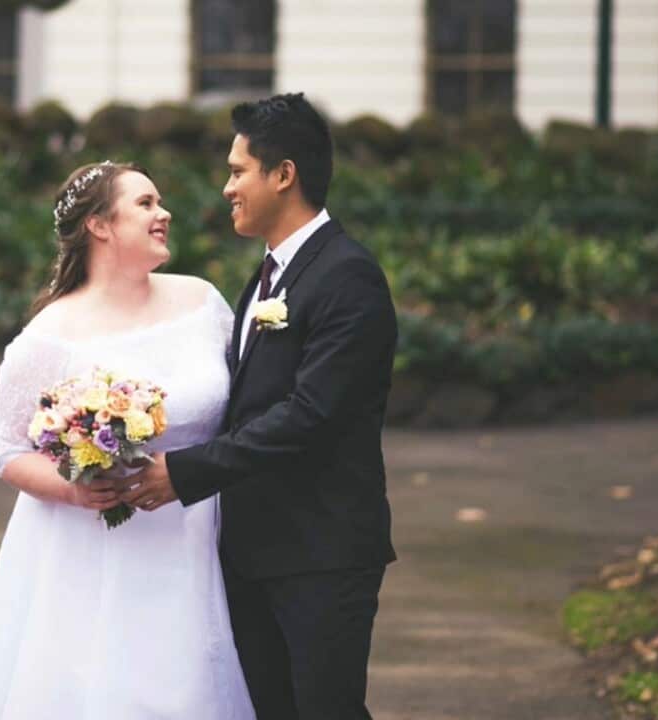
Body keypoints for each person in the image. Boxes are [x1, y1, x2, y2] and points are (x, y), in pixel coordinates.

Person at [118, 93, 399, 719]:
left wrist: (183, 473)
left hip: (321, 555)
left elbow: (309, 415)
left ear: (284, 174)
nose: (226, 188)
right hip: (252, 553)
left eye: (238, 170)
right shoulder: (266, 278)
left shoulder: (347, 277)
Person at [0, 161, 255, 719]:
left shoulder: (203, 302)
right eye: (144, 203)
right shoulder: (47, 338)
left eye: (160, 202)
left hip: (200, 537)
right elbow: (9, 451)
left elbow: (246, 410)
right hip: (95, 552)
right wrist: (74, 489)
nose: (163, 213)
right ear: (99, 225)